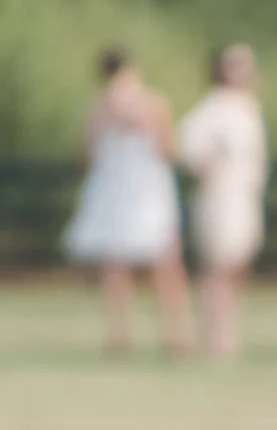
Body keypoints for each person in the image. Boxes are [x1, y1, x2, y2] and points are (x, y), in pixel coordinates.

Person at [63, 48, 192, 357]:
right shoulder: (151, 104)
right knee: (161, 264)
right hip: (141, 193)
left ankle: (123, 335)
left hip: (119, 194)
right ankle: (172, 333)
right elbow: (170, 150)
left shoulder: (98, 108)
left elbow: (85, 159)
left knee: (118, 267)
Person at [176, 43, 268, 361]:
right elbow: (187, 145)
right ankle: (214, 336)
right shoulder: (213, 106)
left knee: (237, 264)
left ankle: (227, 331)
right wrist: (207, 166)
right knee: (218, 265)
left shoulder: (247, 105)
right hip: (220, 196)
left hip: (244, 195)